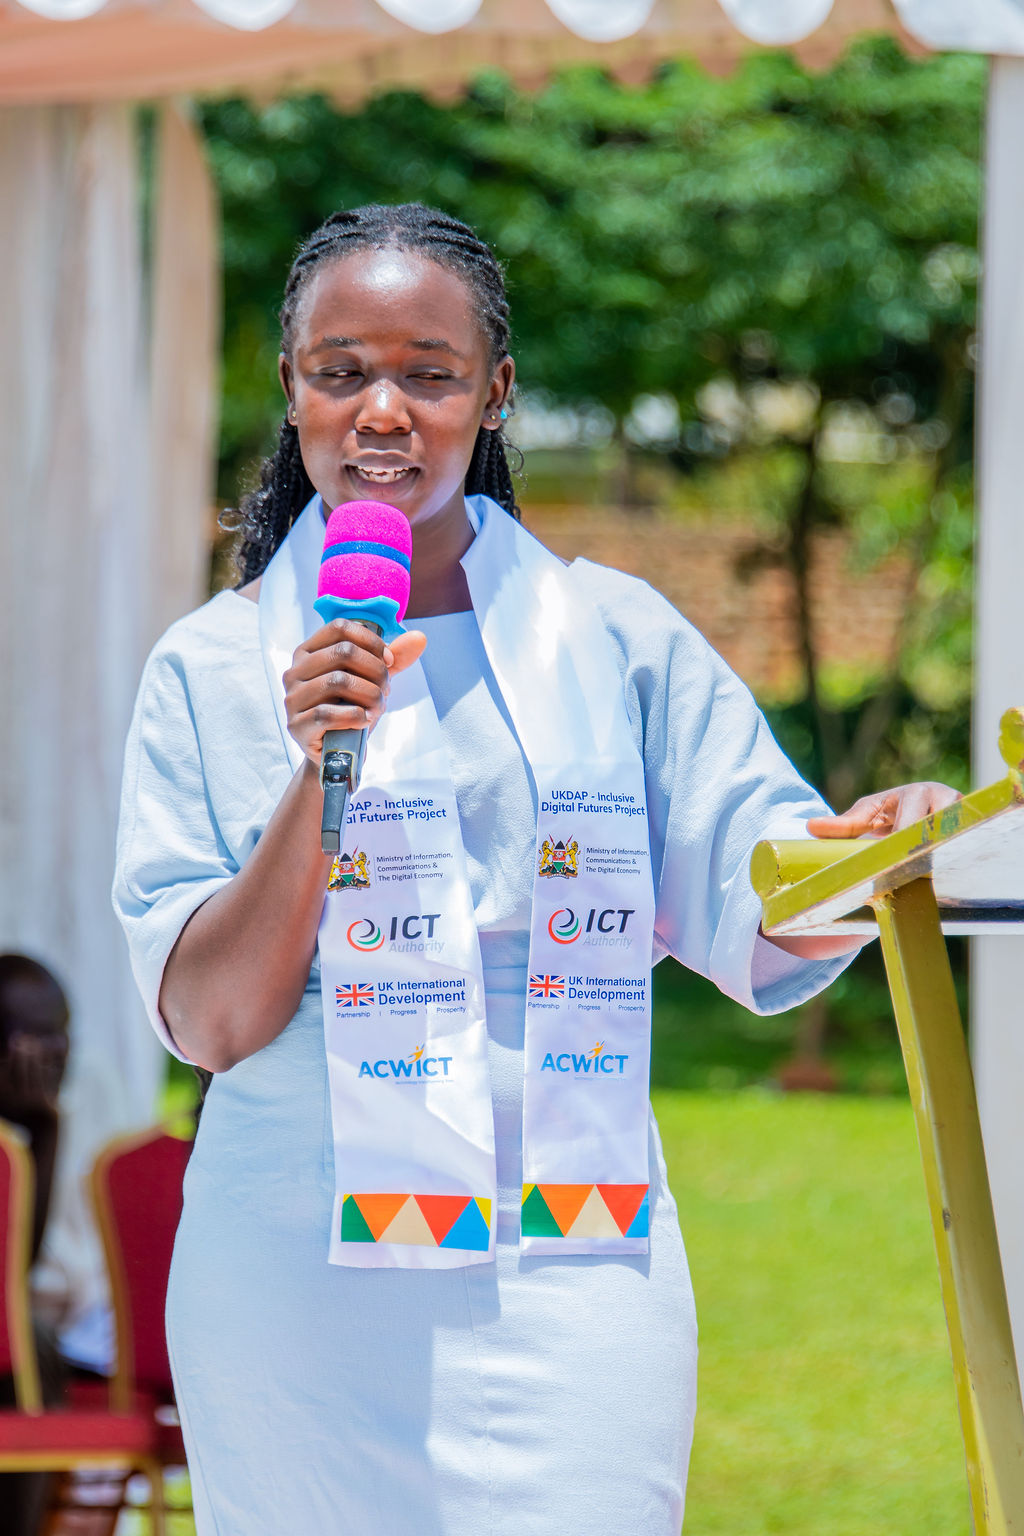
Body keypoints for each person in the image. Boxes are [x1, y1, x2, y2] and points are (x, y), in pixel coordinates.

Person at [113, 203, 956, 1535]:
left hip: (574, 1253)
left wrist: (881, 852)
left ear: (496, 392)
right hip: (299, 1270)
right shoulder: (209, 667)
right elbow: (211, 1019)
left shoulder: (614, 635)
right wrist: (322, 769)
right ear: (290, 386)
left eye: (430, 374)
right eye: (341, 371)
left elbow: (762, 899)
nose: (382, 410)